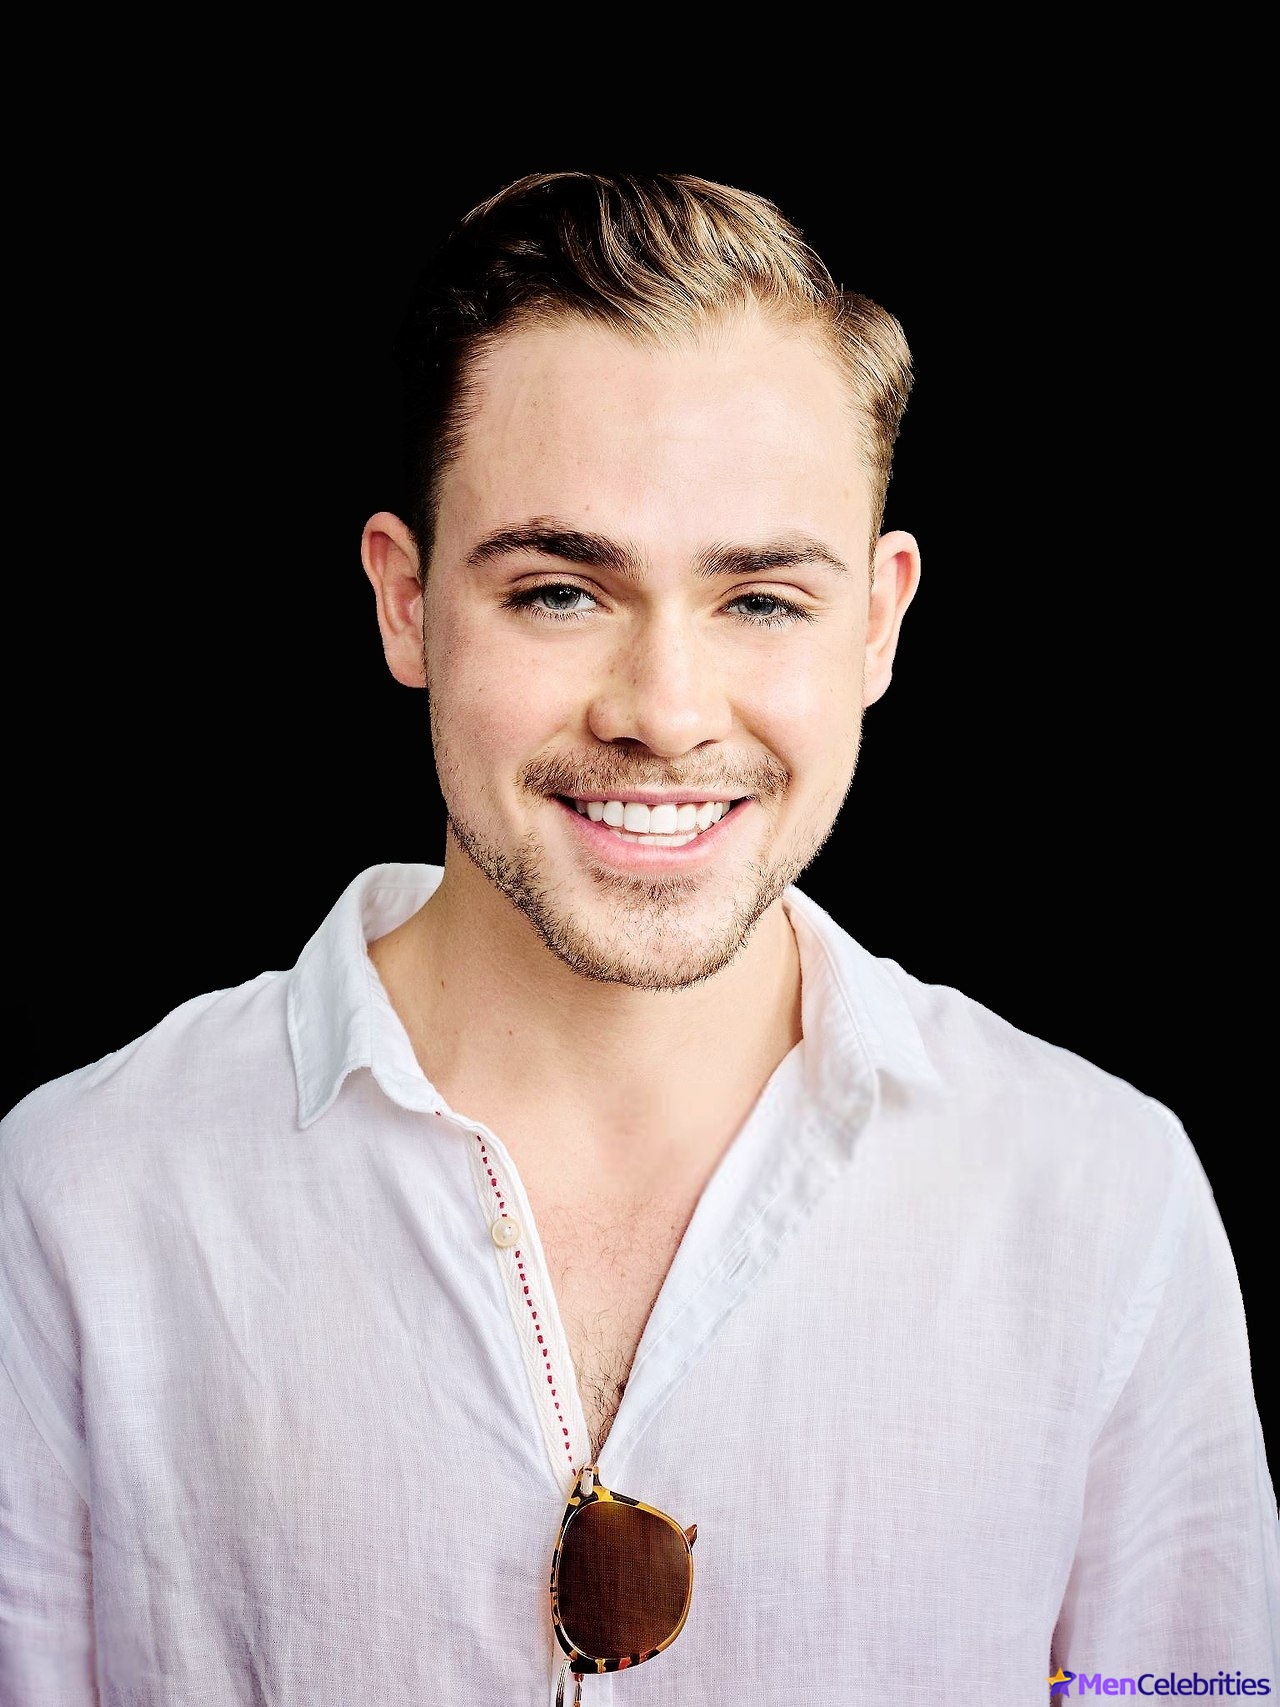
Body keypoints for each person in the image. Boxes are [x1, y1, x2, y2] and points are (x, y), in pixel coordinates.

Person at [1, 171, 1275, 1706]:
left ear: (878, 623)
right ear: (406, 604)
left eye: (763, 601)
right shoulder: (73, 1200)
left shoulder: (1105, 1202)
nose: (665, 714)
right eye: (559, 592)